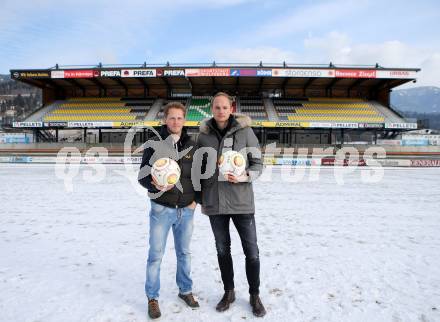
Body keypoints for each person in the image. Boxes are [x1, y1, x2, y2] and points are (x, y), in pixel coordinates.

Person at [196, 92, 266, 317]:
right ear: (212, 109)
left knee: (251, 252)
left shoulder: (245, 131)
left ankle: (254, 295)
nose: (221, 111)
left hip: (241, 203)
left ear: (231, 107)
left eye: (224, 107)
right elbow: (199, 169)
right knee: (222, 250)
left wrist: (245, 175)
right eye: (217, 107)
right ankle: (229, 292)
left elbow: (258, 162)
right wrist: (199, 197)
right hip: (215, 203)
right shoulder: (204, 136)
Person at [138, 102, 199, 320]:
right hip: (161, 209)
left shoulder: (194, 144)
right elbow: (142, 176)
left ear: (184, 120)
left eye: (179, 118)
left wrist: (196, 201)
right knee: (155, 255)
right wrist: (154, 185)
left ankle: (185, 291)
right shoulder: (154, 143)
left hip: (186, 210)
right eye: (171, 118)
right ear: (165, 120)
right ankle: (152, 298)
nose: (175, 122)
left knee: (184, 254)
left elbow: (201, 177)